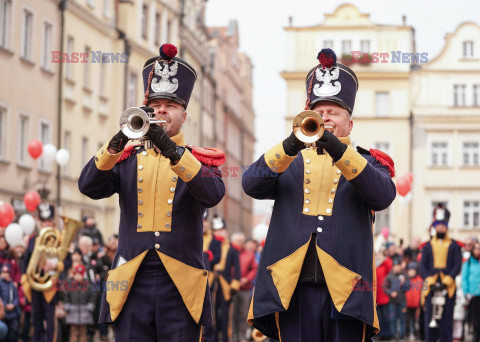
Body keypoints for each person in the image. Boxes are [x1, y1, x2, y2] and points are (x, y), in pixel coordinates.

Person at [242, 48, 396, 341]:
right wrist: (290, 144)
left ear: (349, 124)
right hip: (292, 287)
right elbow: (251, 184)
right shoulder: (288, 159)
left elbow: (382, 196)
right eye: (319, 113)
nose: (325, 119)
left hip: (347, 288)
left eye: (333, 113)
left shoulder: (369, 162)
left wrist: (338, 149)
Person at [78, 43, 226, 341]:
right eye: (155, 106)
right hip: (131, 282)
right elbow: (88, 185)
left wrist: (172, 150)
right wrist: (118, 141)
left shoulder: (198, 160)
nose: (161, 111)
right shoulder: (126, 159)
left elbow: (212, 193)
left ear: (184, 115)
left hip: (181, 283)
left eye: (170, 106)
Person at [21, 202, 71, 342]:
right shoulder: (32, 240)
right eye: (43, 222)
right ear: (39, 222)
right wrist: (26, 282)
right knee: (36, 321)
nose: (46, 225)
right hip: (35, 285)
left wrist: (55, 265)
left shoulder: (60, 239)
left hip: (51, 286)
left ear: (54, 223)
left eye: (49, 221)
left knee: (51, 323)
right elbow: (26, 262)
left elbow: (68, 262)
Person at [419, 220, 462, 342]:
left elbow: (457, 265)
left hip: (447, 287)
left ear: (446, 228)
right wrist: (431, 282)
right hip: (431, 287)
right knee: (430, 321)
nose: (441, 229)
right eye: (438, 226)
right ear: (435, 228)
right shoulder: (427, 246)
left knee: (447, 322)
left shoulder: (454, 245)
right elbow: (422, 266)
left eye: (443, 226)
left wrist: (446, 282)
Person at [211, 215, 241, 342]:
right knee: (211, 313)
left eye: (221, 230)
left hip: (226, 286)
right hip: (211, 283)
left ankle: (225, 339)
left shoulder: (233, 249)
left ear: (226, 231)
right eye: (217, 231)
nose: (220, 233)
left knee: (225, 315)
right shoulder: (211, 244)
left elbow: (237, 269)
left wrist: (235, 284)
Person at [231, 232, 257, 342]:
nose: (240, 243)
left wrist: (247, 279)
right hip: (231, 288)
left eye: (241, 241)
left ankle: (241, 337)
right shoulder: (230, 252)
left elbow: (254, 268)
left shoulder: (249, 254)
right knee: (231, 314)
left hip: (245, 289)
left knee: (243, 313)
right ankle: (232, 336)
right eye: (237, 241)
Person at [462, 241, 480, 342]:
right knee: (475, 317)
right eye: (476, 248)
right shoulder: (468, 263)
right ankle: (476, 335)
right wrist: (466, 292)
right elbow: (464, 278)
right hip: (473, 294)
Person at [0, 264, 19, 341]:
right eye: (3, 273)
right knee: (4, 330)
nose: (4, 275)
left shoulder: (12, 285)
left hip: (12, 312)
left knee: (13, 331)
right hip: (3, 312)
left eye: (6, 273)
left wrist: (13, 304)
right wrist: (4, 304)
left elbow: (16, 297)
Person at [405, 262, 422, 340]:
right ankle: (407, 334)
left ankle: (416, 334)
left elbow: (421, 292)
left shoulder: (420, 280)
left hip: (416, 305)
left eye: (413, 270)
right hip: (407, 304)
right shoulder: (405, 279)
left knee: (416, 321)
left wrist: (421, 303)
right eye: (410, 270)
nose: (411, 272)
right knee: (407, 321)